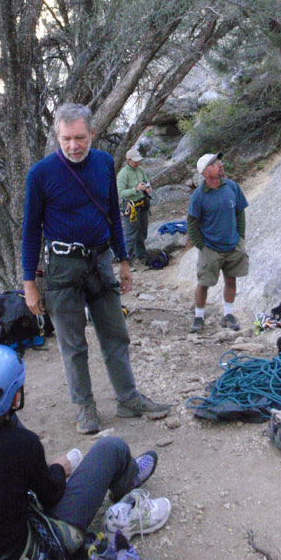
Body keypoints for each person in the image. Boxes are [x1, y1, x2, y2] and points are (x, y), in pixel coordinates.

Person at [0, 345, 169, 560]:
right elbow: (52, 495)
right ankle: (127, 482)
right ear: (15, 396)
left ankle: (124, 482)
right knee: (112, 448)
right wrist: (57, 470)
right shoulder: (23, 445)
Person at [22, 103, 170, 434]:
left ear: (92, 134)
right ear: (57, 136)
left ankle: (128, 400)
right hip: (62, 267)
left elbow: (113, 216)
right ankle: (85, 406)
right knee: (72, 342)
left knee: (115, 334)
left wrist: (124, 261)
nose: (73, 146)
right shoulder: (41, 175)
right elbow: (30, 230)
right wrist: (29, 282)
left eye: (80, 138)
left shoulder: (104, 164)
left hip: (102, 261)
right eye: (66, 139)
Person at [187, 152, 249, 333]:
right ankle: (199, 316)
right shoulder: (198, 196)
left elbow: (240, 212)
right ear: (205, 173)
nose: (220, 165)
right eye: (214, 164)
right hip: (210, 248)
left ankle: (228, 314)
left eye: (218, 162)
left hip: (233, 244)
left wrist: (240, 237)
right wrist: (202, 246)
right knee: (204, 283)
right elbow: (192, 224)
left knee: (231, 279)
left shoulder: (232, 187)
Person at [116, 148, 152, 267]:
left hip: (142, 205)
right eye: (135, 161)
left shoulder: (140, 170)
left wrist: (147, 187)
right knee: (130, 234)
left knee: (142, 232)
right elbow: (121, 193)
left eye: (138, 161)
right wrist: (135, 189)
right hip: (130, 206)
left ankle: (141, 257)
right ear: (128, 160)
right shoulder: (123, 174)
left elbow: (146, 181)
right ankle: (126, 261)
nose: (138, 163)